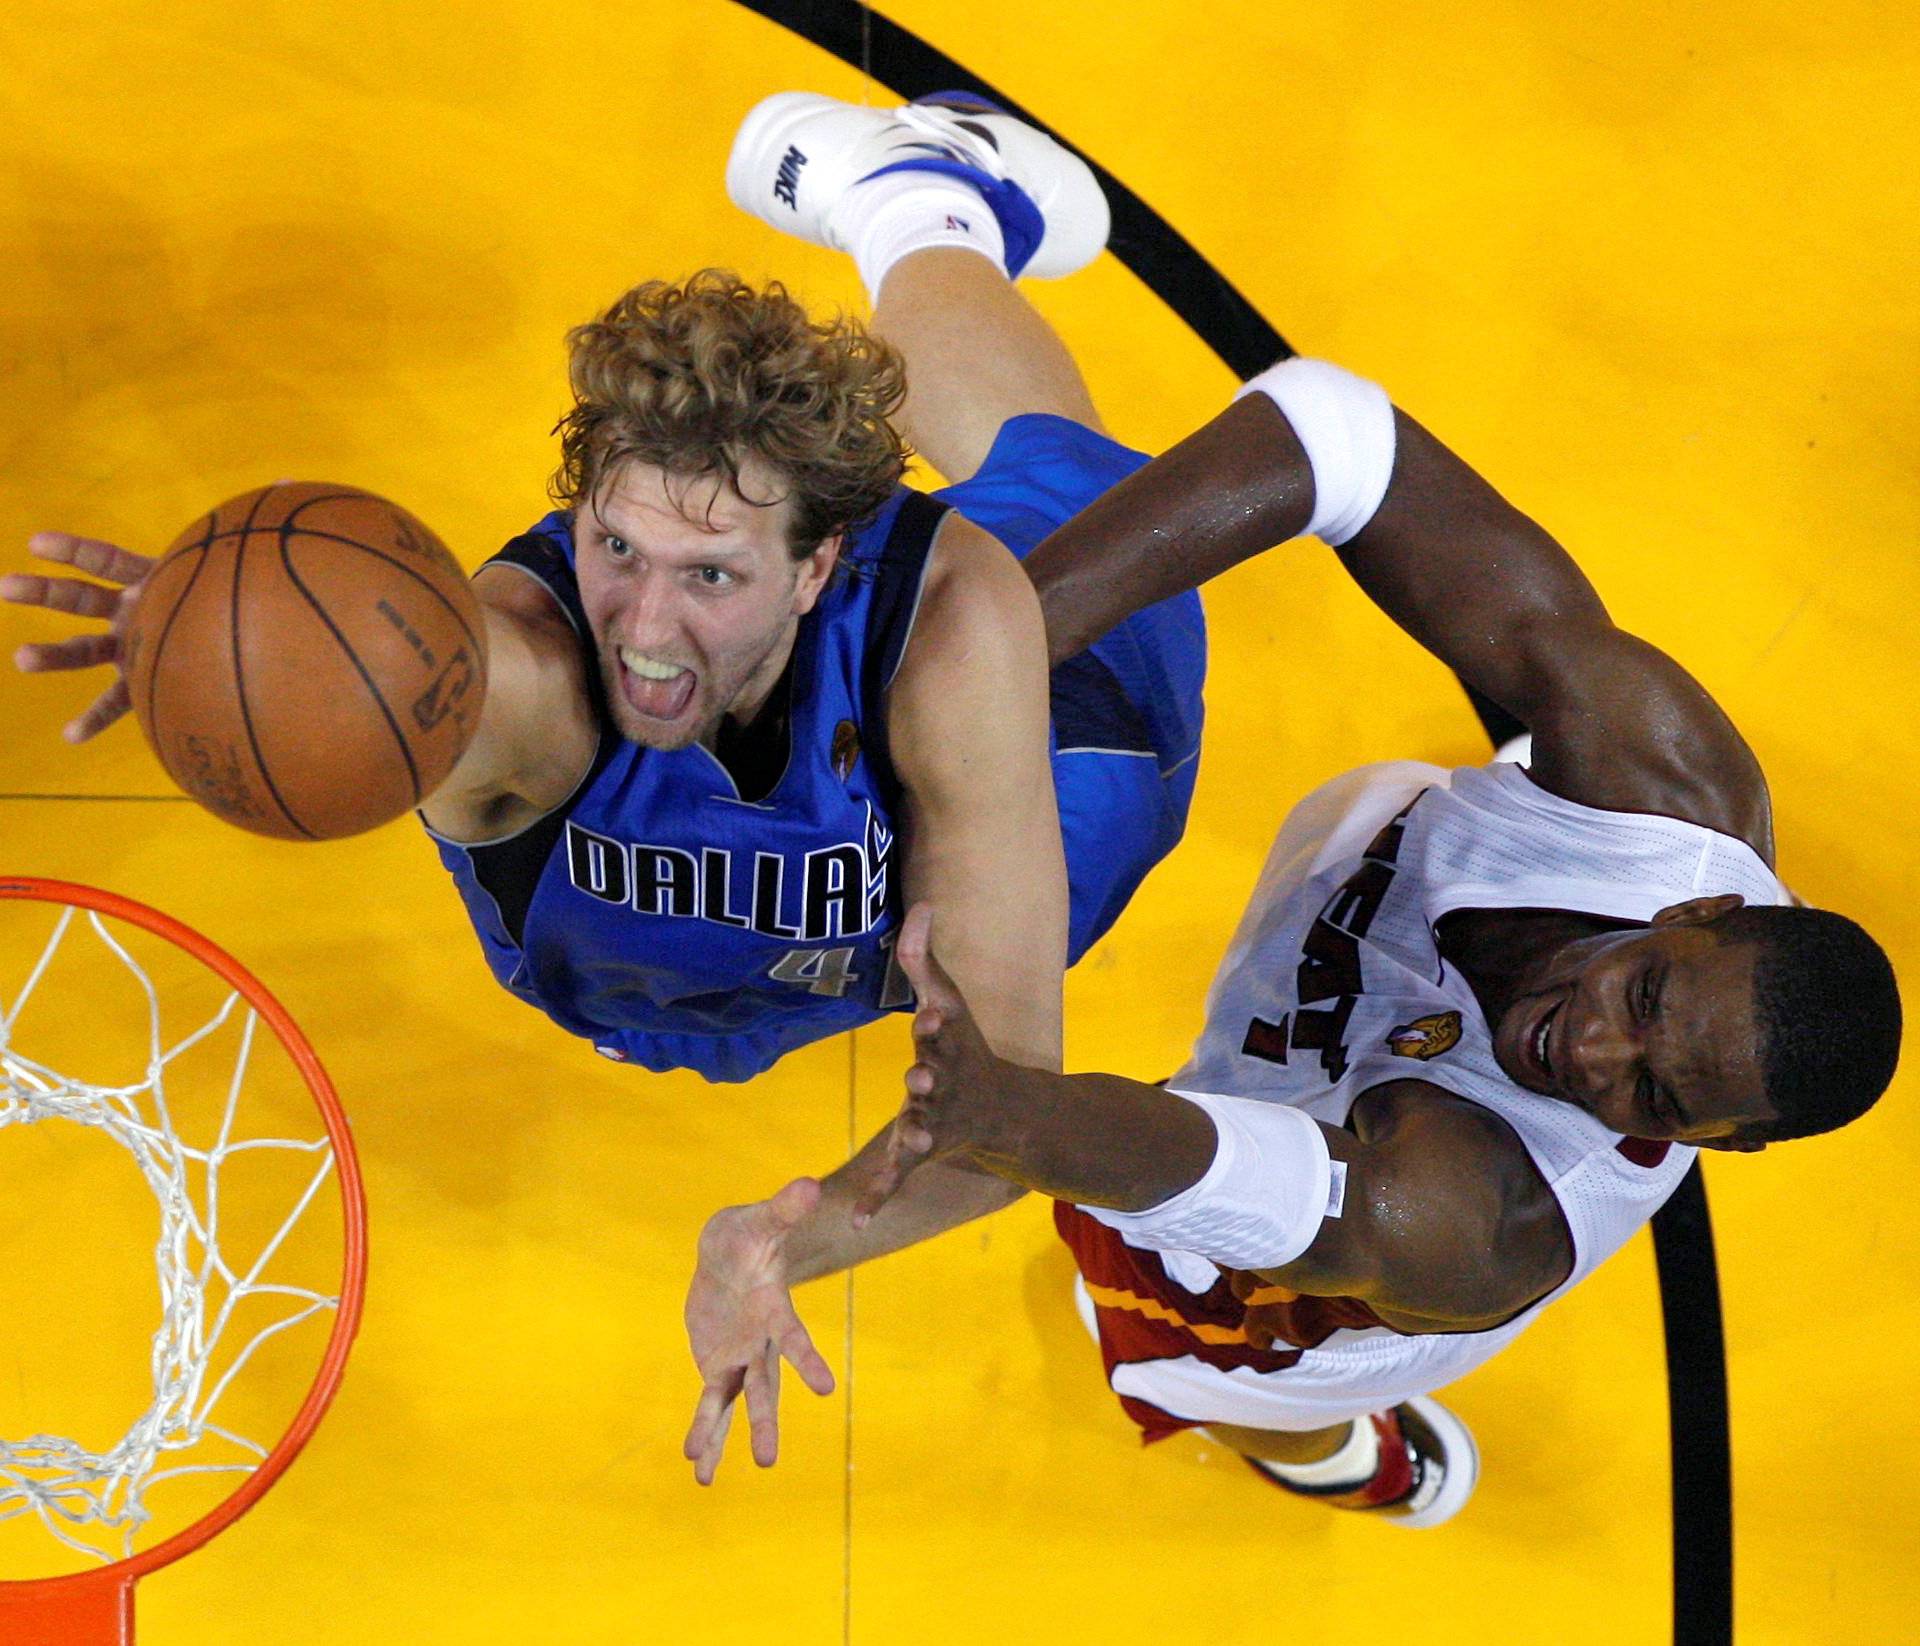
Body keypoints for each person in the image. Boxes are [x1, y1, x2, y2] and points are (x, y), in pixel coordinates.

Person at [680, 185, 1903, 1519]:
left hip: (1322, 1254)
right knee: (1049, 547)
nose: (1594, 1050)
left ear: (1708, 1149)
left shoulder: (1482, 1217)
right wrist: (988, 652)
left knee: (1163, 1317)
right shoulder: (1663, 783)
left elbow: (1198, 1163)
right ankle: (926, 210)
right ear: (1704, 904)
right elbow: (1337, 438)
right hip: (1342, 874)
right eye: (1646, 997)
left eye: (1658, 1098)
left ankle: (1325, 1445)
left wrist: (934, 1154)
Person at [2, 92, 1203, 1156]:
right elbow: (404, 664)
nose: (643, 624)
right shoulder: (522, 690)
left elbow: (1013, 1090)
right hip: (696, 977)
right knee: (1047, 470)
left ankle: (918, 203)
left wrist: (792, 1243)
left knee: (1063, 468)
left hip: (1046, 766)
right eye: (616, 547)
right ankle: (916, 206)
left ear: (812, 568)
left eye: (712, 576)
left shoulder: (942, 620)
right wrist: (211, 645)